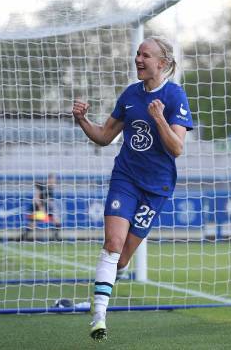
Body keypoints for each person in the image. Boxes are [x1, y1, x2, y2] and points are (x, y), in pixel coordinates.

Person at [72, 36, 193, 341]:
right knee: (112, 243)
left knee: (122, 258)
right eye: (137, 54)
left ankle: (103, 290)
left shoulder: (175, 96)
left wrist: (158, 118)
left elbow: (177, 148)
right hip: (125, 179)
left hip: (156, 189)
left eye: (146, 55)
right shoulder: (129, 95)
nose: (138, 59)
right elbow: (103, 137)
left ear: (162, 63)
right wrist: (82, 120)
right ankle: (98, 315)